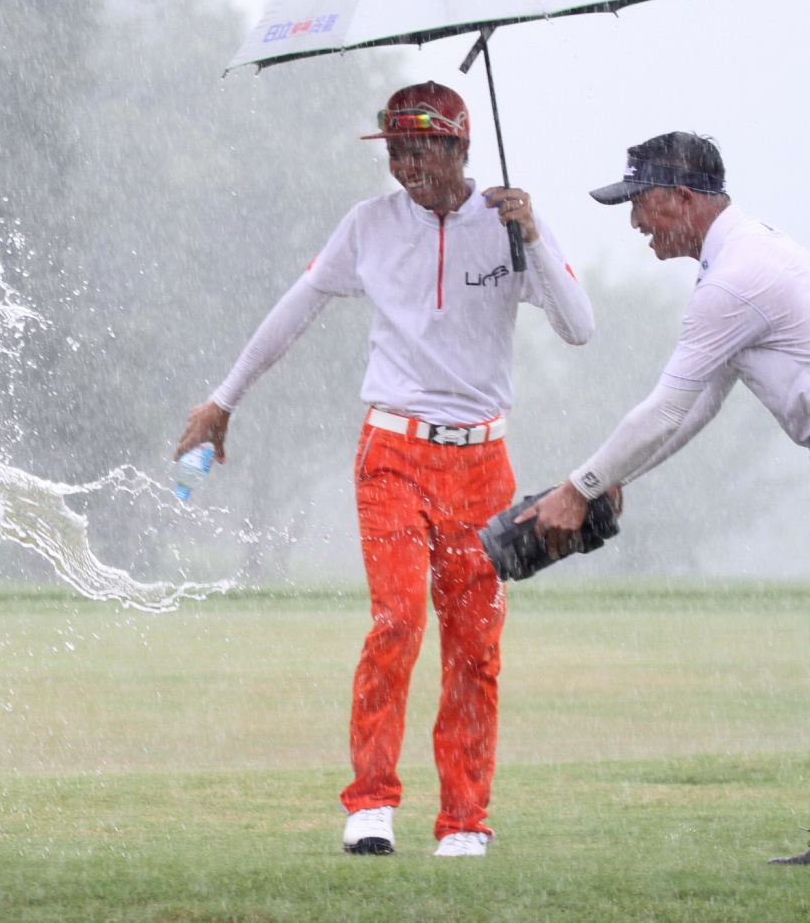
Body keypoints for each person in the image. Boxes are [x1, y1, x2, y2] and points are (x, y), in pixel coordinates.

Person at [176, 83, 594, 857]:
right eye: (395, 151)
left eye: (420, 150)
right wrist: (223, 399)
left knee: (474, 646)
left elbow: (579, 327)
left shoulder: (507, 227)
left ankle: (465, 818)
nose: (405, 167)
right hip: (392, 452)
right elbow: (295, 308)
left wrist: (532, 234)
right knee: (397, 621)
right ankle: (371, 803)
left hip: (482, 461)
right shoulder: (369, 225)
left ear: (460, 150)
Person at [521, 133, 810, 865]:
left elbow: (663, 408)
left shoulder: (735, 280)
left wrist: (579, 489)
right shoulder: (738, 260)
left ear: (682, 197)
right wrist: (613, 478)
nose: (634, 222)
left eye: (640, 204)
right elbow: (695, 408)